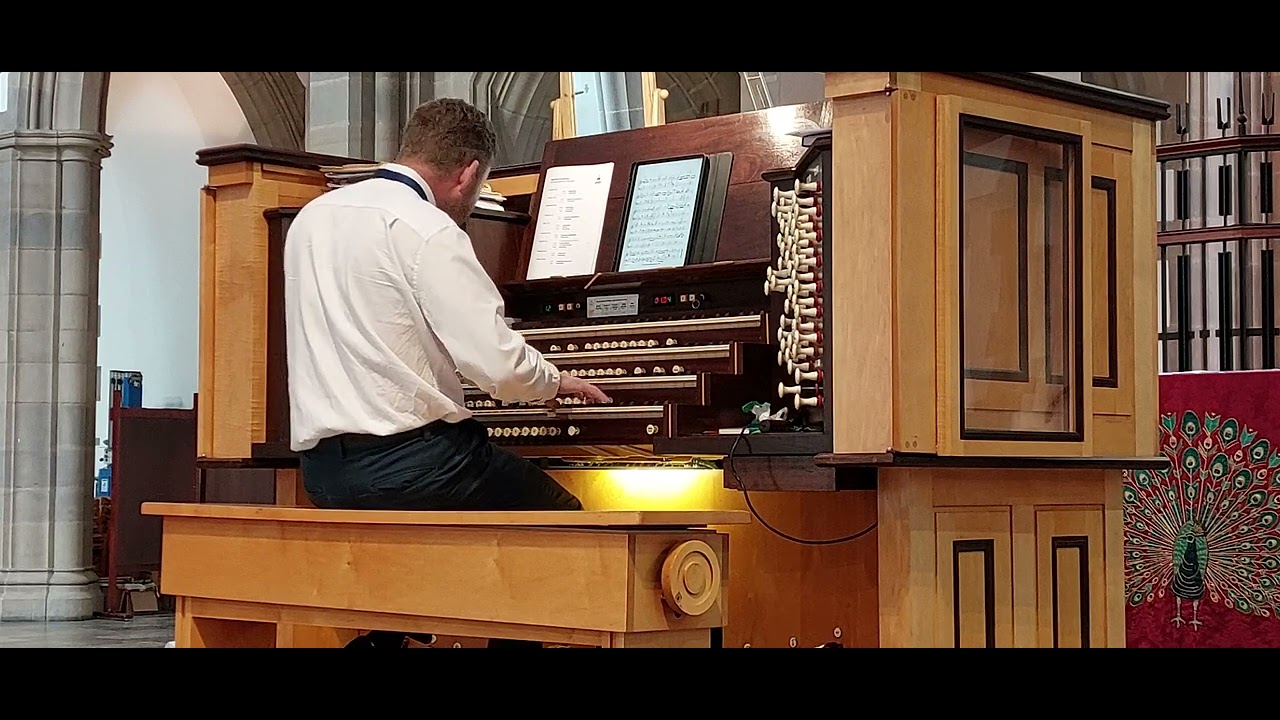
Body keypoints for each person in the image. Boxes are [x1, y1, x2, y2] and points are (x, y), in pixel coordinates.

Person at [283, 98, 611, 648]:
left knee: (457, 545)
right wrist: (554, 381)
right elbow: (499, 366)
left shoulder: (314, 216)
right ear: (468, 174)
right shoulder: (427, 228)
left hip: (324, 471)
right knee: (562, 524)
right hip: (413, 468)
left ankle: (398, 635)